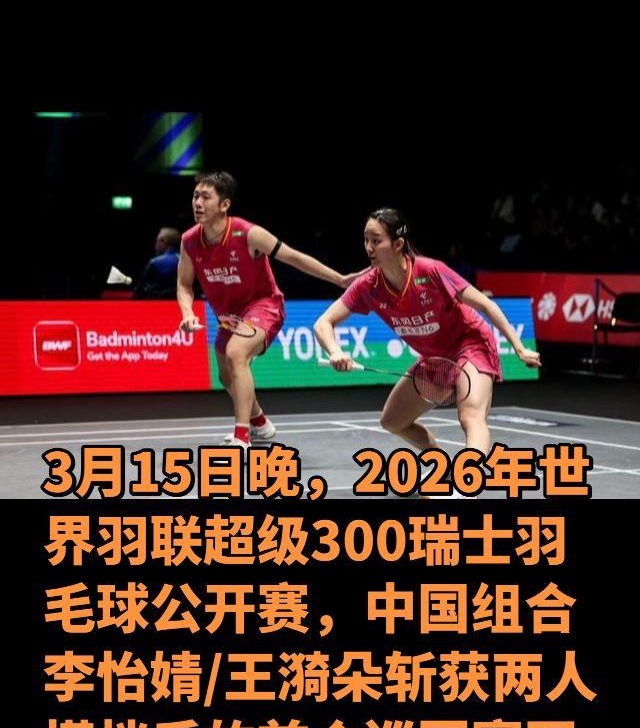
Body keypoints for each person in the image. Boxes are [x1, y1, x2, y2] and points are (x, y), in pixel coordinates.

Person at [314, 208, 541, 490]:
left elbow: (485, 304)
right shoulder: (369, 286)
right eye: (366, 240)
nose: (369, 248)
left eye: (376, 240)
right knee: (392, 421)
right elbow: (323, 323)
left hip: (470, 343)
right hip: (435, 358)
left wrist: (519, 347)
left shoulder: (430, 271)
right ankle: (440, 464)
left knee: (471, 416)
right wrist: (335, 351)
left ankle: (465, 485)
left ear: (398, 244)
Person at [178, 171, 361, 451]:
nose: (197, 203)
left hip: (264, 305)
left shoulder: (248, 233)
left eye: (205, 197)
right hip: (228, 316)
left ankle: (241, 437)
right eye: (195, 196)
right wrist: (187, 313)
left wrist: (339, 279)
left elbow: (294, 257)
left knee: (236, 354)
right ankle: (260, 424)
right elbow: (184, 285)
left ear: (224, 204)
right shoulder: (190, 241)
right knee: (226, 376)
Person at [135, 228, 181, 299]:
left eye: (157, 241)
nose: (155, 245)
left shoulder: (155, 262)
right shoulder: (188, 261)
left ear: (163, 241)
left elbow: (139, 291)